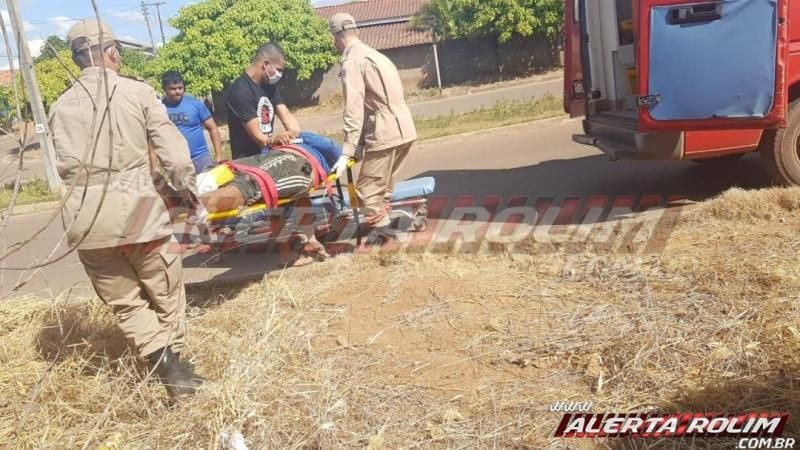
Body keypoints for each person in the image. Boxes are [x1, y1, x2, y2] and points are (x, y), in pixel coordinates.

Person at [48, 19, 203, 398]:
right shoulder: (138, 93)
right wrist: (191, 194)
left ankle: (170, 366)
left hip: (87, 223)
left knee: (127, 304)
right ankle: (175, 367)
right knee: (166, 296)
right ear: (112, 53)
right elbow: (177, 158)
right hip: (140, 215)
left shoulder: (59, 106)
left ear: (77, 58)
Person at [328, 13, 418, 244]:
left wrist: (347, 150)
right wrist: (358, 148)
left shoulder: (352, 61)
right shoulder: (376, 54)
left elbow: (355, 109)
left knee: (367, 190)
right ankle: (381, 227)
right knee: (384, 188)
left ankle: (385, 237)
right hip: (405, 129)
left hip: (385, 132)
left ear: (335, 37)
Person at [198, 132, 342, 266]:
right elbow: (330, 146)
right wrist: (278, 139)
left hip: (294, 161)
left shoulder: (325, 148)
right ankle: (193, 203)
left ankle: (192, 205)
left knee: (251, 183)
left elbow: (331, 147)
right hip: (284, 159)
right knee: (239, 175)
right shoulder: (323, 148)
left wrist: (297, 134)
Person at [226, 42, 302, 160]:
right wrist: (272, 140)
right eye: (278, 70)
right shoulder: (240, 91)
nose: (280, 75)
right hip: (248, 161)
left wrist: (295, 133)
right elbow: (257, 135)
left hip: (267, 154)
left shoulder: (269, 86)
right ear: (266, 64)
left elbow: (286, 115)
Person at [161, 71, 224, 173]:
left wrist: (219, 155)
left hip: (201, 157)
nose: (177, 91)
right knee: (184, 189)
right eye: (172, 89)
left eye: (180, 88)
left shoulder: (195, 104)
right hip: (176, 161)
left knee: (209, 187)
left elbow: (212, 128)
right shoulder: (159, 108)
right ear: (165, 89)